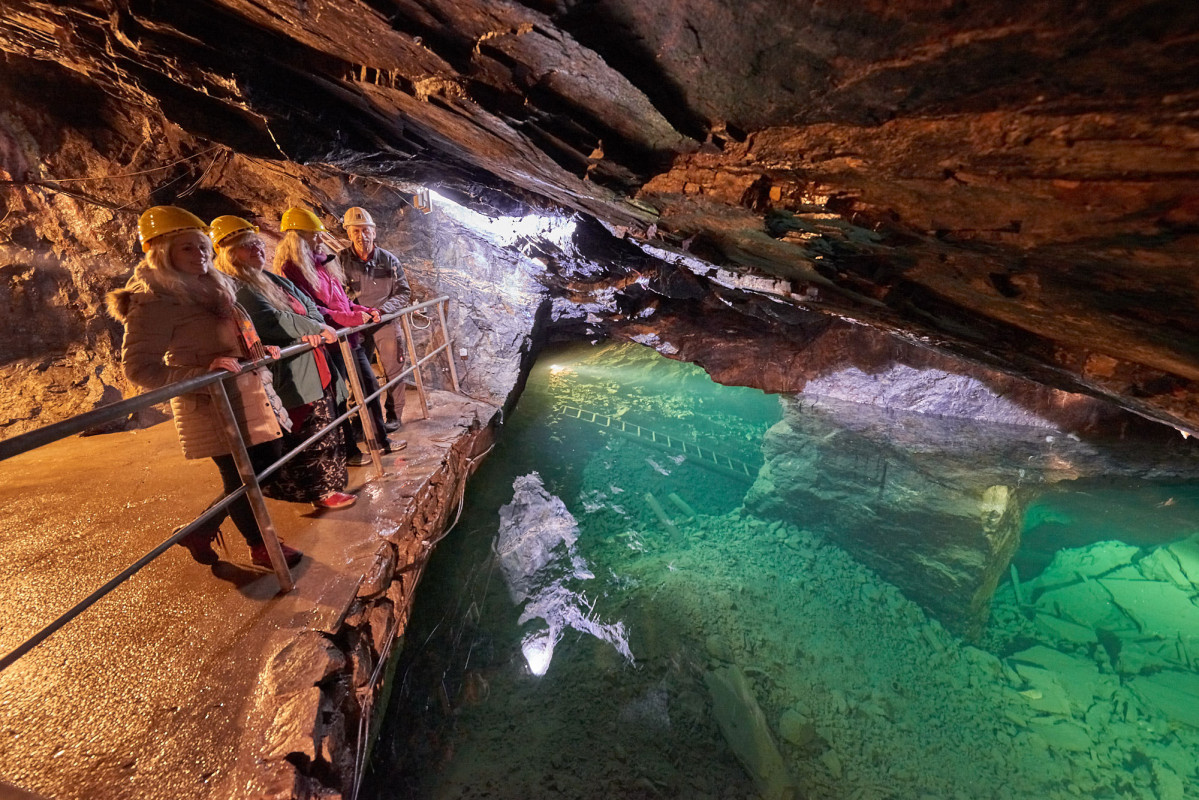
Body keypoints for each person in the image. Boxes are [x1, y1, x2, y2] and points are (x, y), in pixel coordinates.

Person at [105, 206, 302, 568]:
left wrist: (257, 348)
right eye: (186, 248)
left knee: (265, 464)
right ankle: (261, 547)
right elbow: (138, 368)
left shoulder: (214, 282)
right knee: (241, 475)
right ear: (162, 252)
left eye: (201, 247)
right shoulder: (154, 298)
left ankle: (200, 529)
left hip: (246, 389)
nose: (199, 255)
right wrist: (200, 374)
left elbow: (231, 332)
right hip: (210, 402)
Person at [210, 215, 356, 510]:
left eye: (257, 244)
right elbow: (269, 319)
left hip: (312, 360)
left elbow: (311, 307)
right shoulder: (237, 286)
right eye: (247, 246)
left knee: (323, 423)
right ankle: (319, 492)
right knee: (308, 429)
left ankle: (328, 487)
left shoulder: (271, 278)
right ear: (229, 253)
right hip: (290, 368)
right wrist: (313, 330)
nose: (257, 250)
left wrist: (314, 326)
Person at [272, 207, 397, 466]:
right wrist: (347, 319)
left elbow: (343, 302)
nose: (319, 240)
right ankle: (351, 450)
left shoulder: (323, 263)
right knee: (339, 397)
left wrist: (364, 311)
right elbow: (310, 309)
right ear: (296, 238)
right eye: (312, 236)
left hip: (349, 340)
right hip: (330, 344)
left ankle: (381, 441)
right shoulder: (292, 270)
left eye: (318, 235)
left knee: (369, 387)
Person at [340, 206, 411, 438]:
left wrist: (382, 310)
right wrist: (357, 313)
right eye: (356, 231)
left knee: (394, 371)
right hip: (356, 325)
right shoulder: (340, 261)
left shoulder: (389, 260)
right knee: (358, 375)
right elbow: (338, 293)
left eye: (366, 230)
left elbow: (403, 292)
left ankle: (393, 416)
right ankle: (362, 419)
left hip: (386, 323)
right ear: (349, 234)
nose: (362, 236)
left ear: (374, 232)